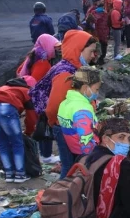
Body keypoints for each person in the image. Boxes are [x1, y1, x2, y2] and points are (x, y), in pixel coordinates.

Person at [30, 30, 97, 179]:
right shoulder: (66, 74)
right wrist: (62, 124)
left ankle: (67, 196)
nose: (93, 56)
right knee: (69, 167)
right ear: (78, 49)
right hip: (66, 127)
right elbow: (53, 107)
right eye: (91, 51)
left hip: (68, 125)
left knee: (72, 166)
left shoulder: (73, 69)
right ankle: (63, 197)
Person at [17, 33, 61, 164]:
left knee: (42, 125)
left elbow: (21, 71)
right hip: (40, 98)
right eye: (55, 47)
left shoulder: (35, 56)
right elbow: (37, 82)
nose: (57, 50)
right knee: (45, 125)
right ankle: (46, 155)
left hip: (35, 98)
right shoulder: (42, 62)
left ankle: (43, 154)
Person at [0, 76, 37, 183]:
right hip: (6, 108)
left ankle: (9, 173)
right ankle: (20, 174)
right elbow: (31, 117)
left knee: (2, 144)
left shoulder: (4, 88)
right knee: (17, 143)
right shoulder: (27, 91)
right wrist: (28, 132)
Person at [57, 67, 101, 176]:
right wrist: (93, 159)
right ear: (85, 88)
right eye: (96, 89)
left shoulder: (65, 103)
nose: (97, 93)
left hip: (74, 149)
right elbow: (85, 139)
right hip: (85, 154)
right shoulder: (82, 109)